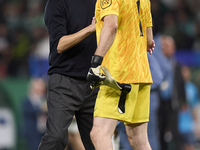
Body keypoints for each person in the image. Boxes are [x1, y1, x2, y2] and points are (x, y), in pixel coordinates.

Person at [87, 0, 154, 150]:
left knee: (99, 133)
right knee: (139, 140)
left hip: (118, 75)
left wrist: (96, 62)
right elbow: (149, 40)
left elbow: (111, 26)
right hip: (141, 73)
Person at [37, 0, 98, 149]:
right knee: (56, 137)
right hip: (64, 81)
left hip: (93, 81)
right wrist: (90, 29)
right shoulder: (56, 4)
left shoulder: (99, 2)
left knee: (97, 139)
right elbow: (60, 44)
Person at [22, 78, 47, 150]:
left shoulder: (45, 99)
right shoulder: (28, 100)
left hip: (44, 130)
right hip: (33, 131)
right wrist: (41, 109)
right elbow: (27, 111)